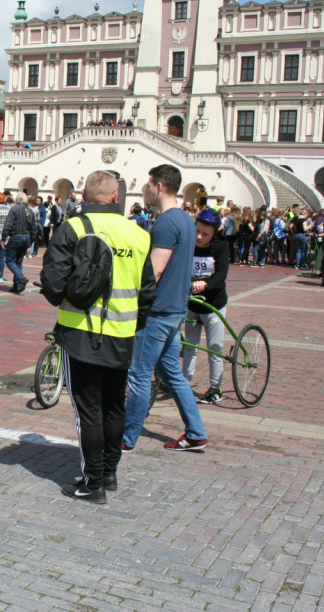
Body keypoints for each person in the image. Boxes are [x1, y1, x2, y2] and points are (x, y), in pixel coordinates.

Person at [40, 171, 155, 503]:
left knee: (88, 409)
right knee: (113, 405)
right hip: (123, 332)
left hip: (82, 330)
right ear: (116, 197)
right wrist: (134, 322)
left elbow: (53, 282)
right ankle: (109, 472)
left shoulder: (73, 228)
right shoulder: (138, 233)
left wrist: (68, 298)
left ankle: (92, 483)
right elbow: (148, 291)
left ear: (83, 195)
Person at [123, 164, 209, 452]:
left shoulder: (167, 222)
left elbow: (155, 271)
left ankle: (126, 436)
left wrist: (134, 300)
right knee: (171, 371)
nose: (146, 188)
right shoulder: (185, 219)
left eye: (149, 183)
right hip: (175, 308)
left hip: (159, 310)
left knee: (139, 374)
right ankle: (196, 431)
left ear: (159, 186)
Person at [182, 208, 229, 404]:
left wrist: (206, 284)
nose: (199, 237)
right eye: (197, 231)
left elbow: (221, 275)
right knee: (190, 346)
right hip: (193, 304)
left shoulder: (221, 247)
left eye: (205, 234)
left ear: (214, 233)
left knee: (214, 348)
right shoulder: (188, 245)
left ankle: (215, 387)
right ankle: (183, 382)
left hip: (213, 305)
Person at [2, 194, 40, 293]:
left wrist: (4, 237)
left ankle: (21, 278)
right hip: (26, 237)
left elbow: (8, 225)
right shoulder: (30, 211)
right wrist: (31, 241)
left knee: (10, 261)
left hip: (16, 237)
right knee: (18, 262)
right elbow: (34, 228)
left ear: (17, 200)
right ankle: (17, 285)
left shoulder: (14, 209)